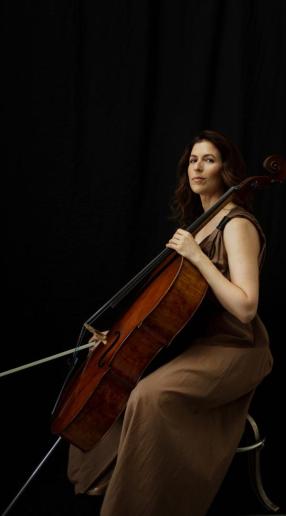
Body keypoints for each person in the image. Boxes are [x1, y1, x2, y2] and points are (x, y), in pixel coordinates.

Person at [67, 129, 273, 516]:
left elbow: (245, 307)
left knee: (151, 396)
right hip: (198, 343)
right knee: (120, 385)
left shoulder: (236, 225)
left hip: (236, 348)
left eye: (209, 159)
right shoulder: (199, 224)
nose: (198, 167)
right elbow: (173, 307)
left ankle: (142, 504)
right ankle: (106, 481)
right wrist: (121, 336)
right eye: (193, 160)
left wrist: (196, 257)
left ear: (226, 170)